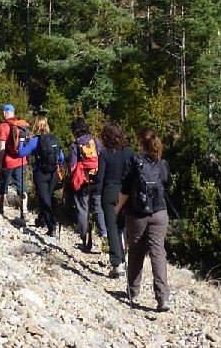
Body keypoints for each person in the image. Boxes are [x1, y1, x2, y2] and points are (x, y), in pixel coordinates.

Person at [116, 128, 171, 311]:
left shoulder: (134, 161)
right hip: (159, 213)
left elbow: (125, 189)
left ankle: (133, 292)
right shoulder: (162, 164)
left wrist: (118, 208)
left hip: (136, 214)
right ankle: (163, 298)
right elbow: (167, 186)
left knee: (136, 252)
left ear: (140, 142)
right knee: (158, 252)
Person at [97, 123, 134, 278]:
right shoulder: (129, 153)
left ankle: (116, 263)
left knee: (111, 227)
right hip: (126, 191)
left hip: (109, 191)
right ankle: (124, 257)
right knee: (122, 226)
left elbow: (100, 177)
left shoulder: (104, 154)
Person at [16, 114, 63, 237]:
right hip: (53, 173)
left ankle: (51, 226)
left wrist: (21, 142)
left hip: (40, 173)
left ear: (35, 125)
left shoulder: (35, 140)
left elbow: (21, 154)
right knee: (47, 197)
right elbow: (61, 157)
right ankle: (41, 221)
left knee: (44, 200)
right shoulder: (53, 138)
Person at [67, 118, 105, 251]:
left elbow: (72, 167)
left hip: (83, 181)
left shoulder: (75, 146)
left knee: (83, 209)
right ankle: (104, 236)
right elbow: (102, 159)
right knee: (98, 208)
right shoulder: (95, 141)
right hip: (97, 179)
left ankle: (85, 240)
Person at [0, 104, 29, 219]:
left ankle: (0, 209)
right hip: (22, 160)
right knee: (22, 186)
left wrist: (0, 162)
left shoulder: (3, 126)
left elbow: (2, 146)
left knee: (3, 185)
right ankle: (24, 210)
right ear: (13, 113)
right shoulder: (21, 125)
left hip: (8, 161)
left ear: (4, 113)